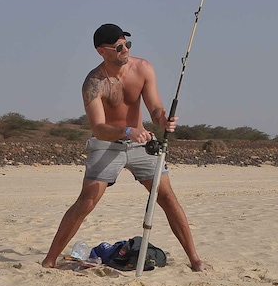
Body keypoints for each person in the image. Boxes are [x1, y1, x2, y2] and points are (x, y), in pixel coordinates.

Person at [42, 23, 207, 271]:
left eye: (127, 44)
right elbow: (98, 127)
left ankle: (195, 260)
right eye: (118, 47)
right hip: (107, 144)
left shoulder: (143, 68)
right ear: (102, 51)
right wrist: (127, 130)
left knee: (167, 198)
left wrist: (163, 120)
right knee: (86, 202)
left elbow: (155, 108)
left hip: (142, 144)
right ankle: (49, 259)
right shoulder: (93, 82)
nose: (125, 50)